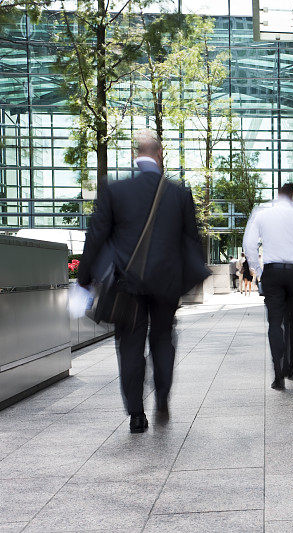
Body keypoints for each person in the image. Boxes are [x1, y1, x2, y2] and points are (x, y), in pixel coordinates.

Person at [77, 130, 207, 434]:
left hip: (127, 285)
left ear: (137, 156)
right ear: (160, 155)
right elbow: (191, 242)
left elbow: (96, 234)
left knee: (130, 346)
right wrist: (187, 281)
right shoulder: (178, 193)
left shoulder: (116, 190)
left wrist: (84, 276)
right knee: (163, 338)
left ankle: (136, 414)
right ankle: (162, 398)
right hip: (166, 285)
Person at [243, 183, 293, 390]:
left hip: (273, 271)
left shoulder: (262, 213)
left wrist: (259, 269)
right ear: (292, 195)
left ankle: (278, 374)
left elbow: (249, 244)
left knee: (275, 322)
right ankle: (291, 366)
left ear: (278, 194)